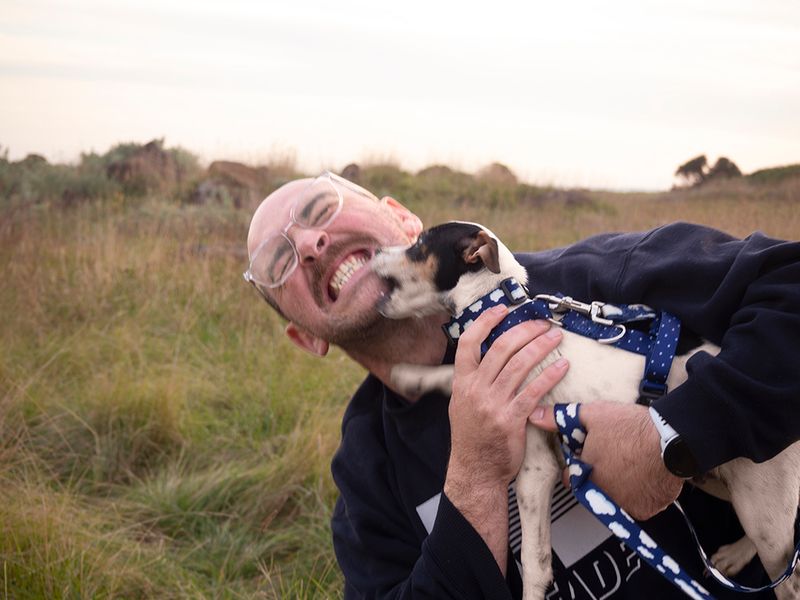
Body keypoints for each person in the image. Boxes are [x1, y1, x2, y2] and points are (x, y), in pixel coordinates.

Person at [244, 172, 800, 599]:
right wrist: (475, 480)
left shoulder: (595, 279)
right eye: (280, 259)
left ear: (403, 218)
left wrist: (669, 436)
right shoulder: (366, 477)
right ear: (304, 339)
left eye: (320, 211)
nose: (313, 242)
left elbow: (789, 288)